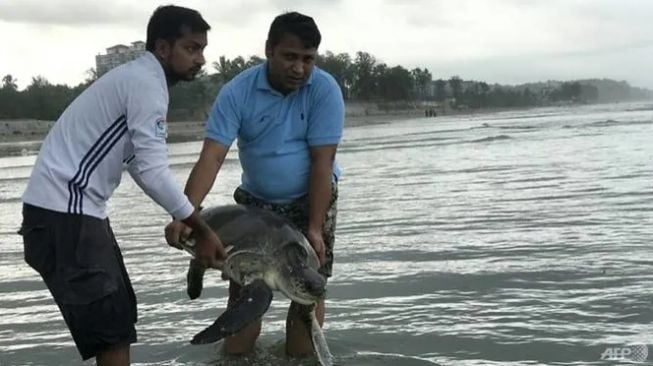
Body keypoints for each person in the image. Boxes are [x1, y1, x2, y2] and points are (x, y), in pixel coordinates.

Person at [19, 6, 226, 366]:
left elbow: (139, 167)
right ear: (163, 48)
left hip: (70, 213)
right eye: (192, 49)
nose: (200, 59)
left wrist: (183, 216)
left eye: (202, 50)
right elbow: (154, 170)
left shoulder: (139, 79)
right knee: (112, 335)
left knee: (119, 320)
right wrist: (202, 229)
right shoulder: (146, 84)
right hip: (66, 214)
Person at [165, 11, 344, 358]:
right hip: (257, 204)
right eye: (290, 57)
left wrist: (314, 229)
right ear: (269, 50)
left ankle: (301, 360)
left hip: (313, 198)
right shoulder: (238, 91)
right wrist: (183, 213)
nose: (299, 68)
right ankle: (236, 359)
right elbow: (212, 157)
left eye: (308, 60)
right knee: (246, 292)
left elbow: (323, 163)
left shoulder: (324, 90)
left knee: (307, 295)